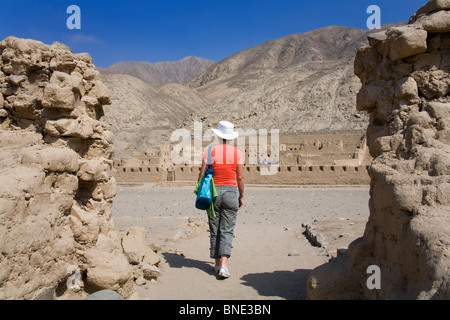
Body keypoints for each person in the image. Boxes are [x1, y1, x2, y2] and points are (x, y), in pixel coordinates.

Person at [198, 121, 244, 279]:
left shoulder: (209, 151)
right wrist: (241, 195)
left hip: (213, 192)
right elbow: (240, 177)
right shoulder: (237, 153)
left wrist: (199, 190)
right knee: (227, 229)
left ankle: (217, 264)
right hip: (231, 191)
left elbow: (203, 173)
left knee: (214, 228)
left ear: (218, 135)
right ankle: (224, 266)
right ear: (231, 137)